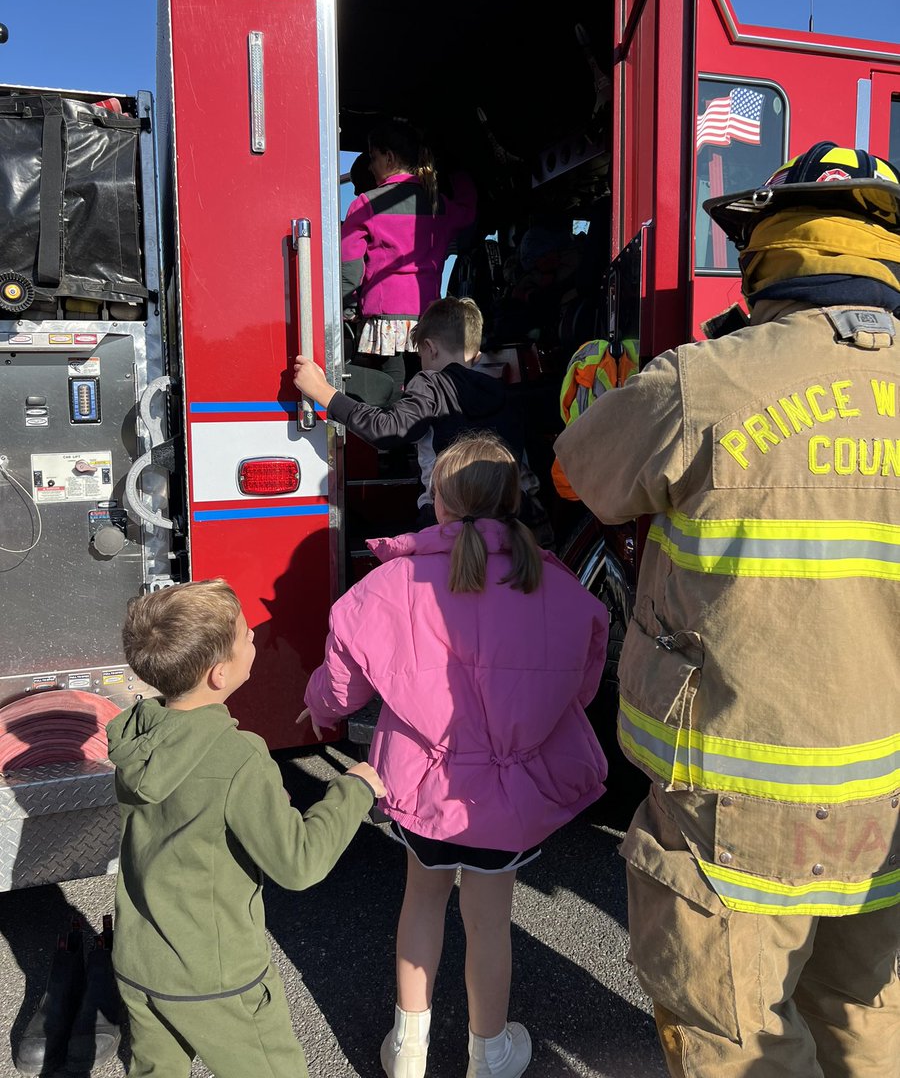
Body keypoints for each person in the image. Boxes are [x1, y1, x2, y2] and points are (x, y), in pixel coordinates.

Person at [554, 141, 900, 1077]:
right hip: (887, 802)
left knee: (735, 1036)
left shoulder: (706, 379)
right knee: (866, 1027)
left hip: (734, 805)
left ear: (766, 256)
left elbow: (585, 471)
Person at [301, 433, 609, 1078]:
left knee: (422, 899)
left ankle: (408, 1050)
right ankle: (488, 1052)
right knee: (490, 923)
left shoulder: (391, 582)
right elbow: (581, 682)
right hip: (512, 792)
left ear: (438, 502)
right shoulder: (558, 586)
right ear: (512, 501)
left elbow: (343, 678)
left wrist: (322, 711)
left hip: (422, 784)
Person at [107, 579, 385, 1078]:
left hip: (139, 961)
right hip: (216, 975)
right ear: (219, 674)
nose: (254, 634)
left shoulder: (137, 735)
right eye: (245, 636)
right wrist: (354, 789)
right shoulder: (239, 756)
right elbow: (299, 864)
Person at [293, 296, 531, 527]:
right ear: (477, 355)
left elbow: (386, 431)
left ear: (430, 348)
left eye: (420, 357)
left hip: (446, 519)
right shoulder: (505, 394)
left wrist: (323, 392)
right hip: (505, 519)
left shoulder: (432, 384)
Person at [342, 118, 477, 403]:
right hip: (428, 322)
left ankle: (393, 445)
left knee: (391, 398)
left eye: (373, 158)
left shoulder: (364, 205)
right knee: (426, 395)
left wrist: (343, 306)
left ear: (389, 158)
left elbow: (350, 274)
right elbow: (468, 210)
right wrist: (454, 169)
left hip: (383, 323)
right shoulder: (439, 205)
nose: (370, 166)